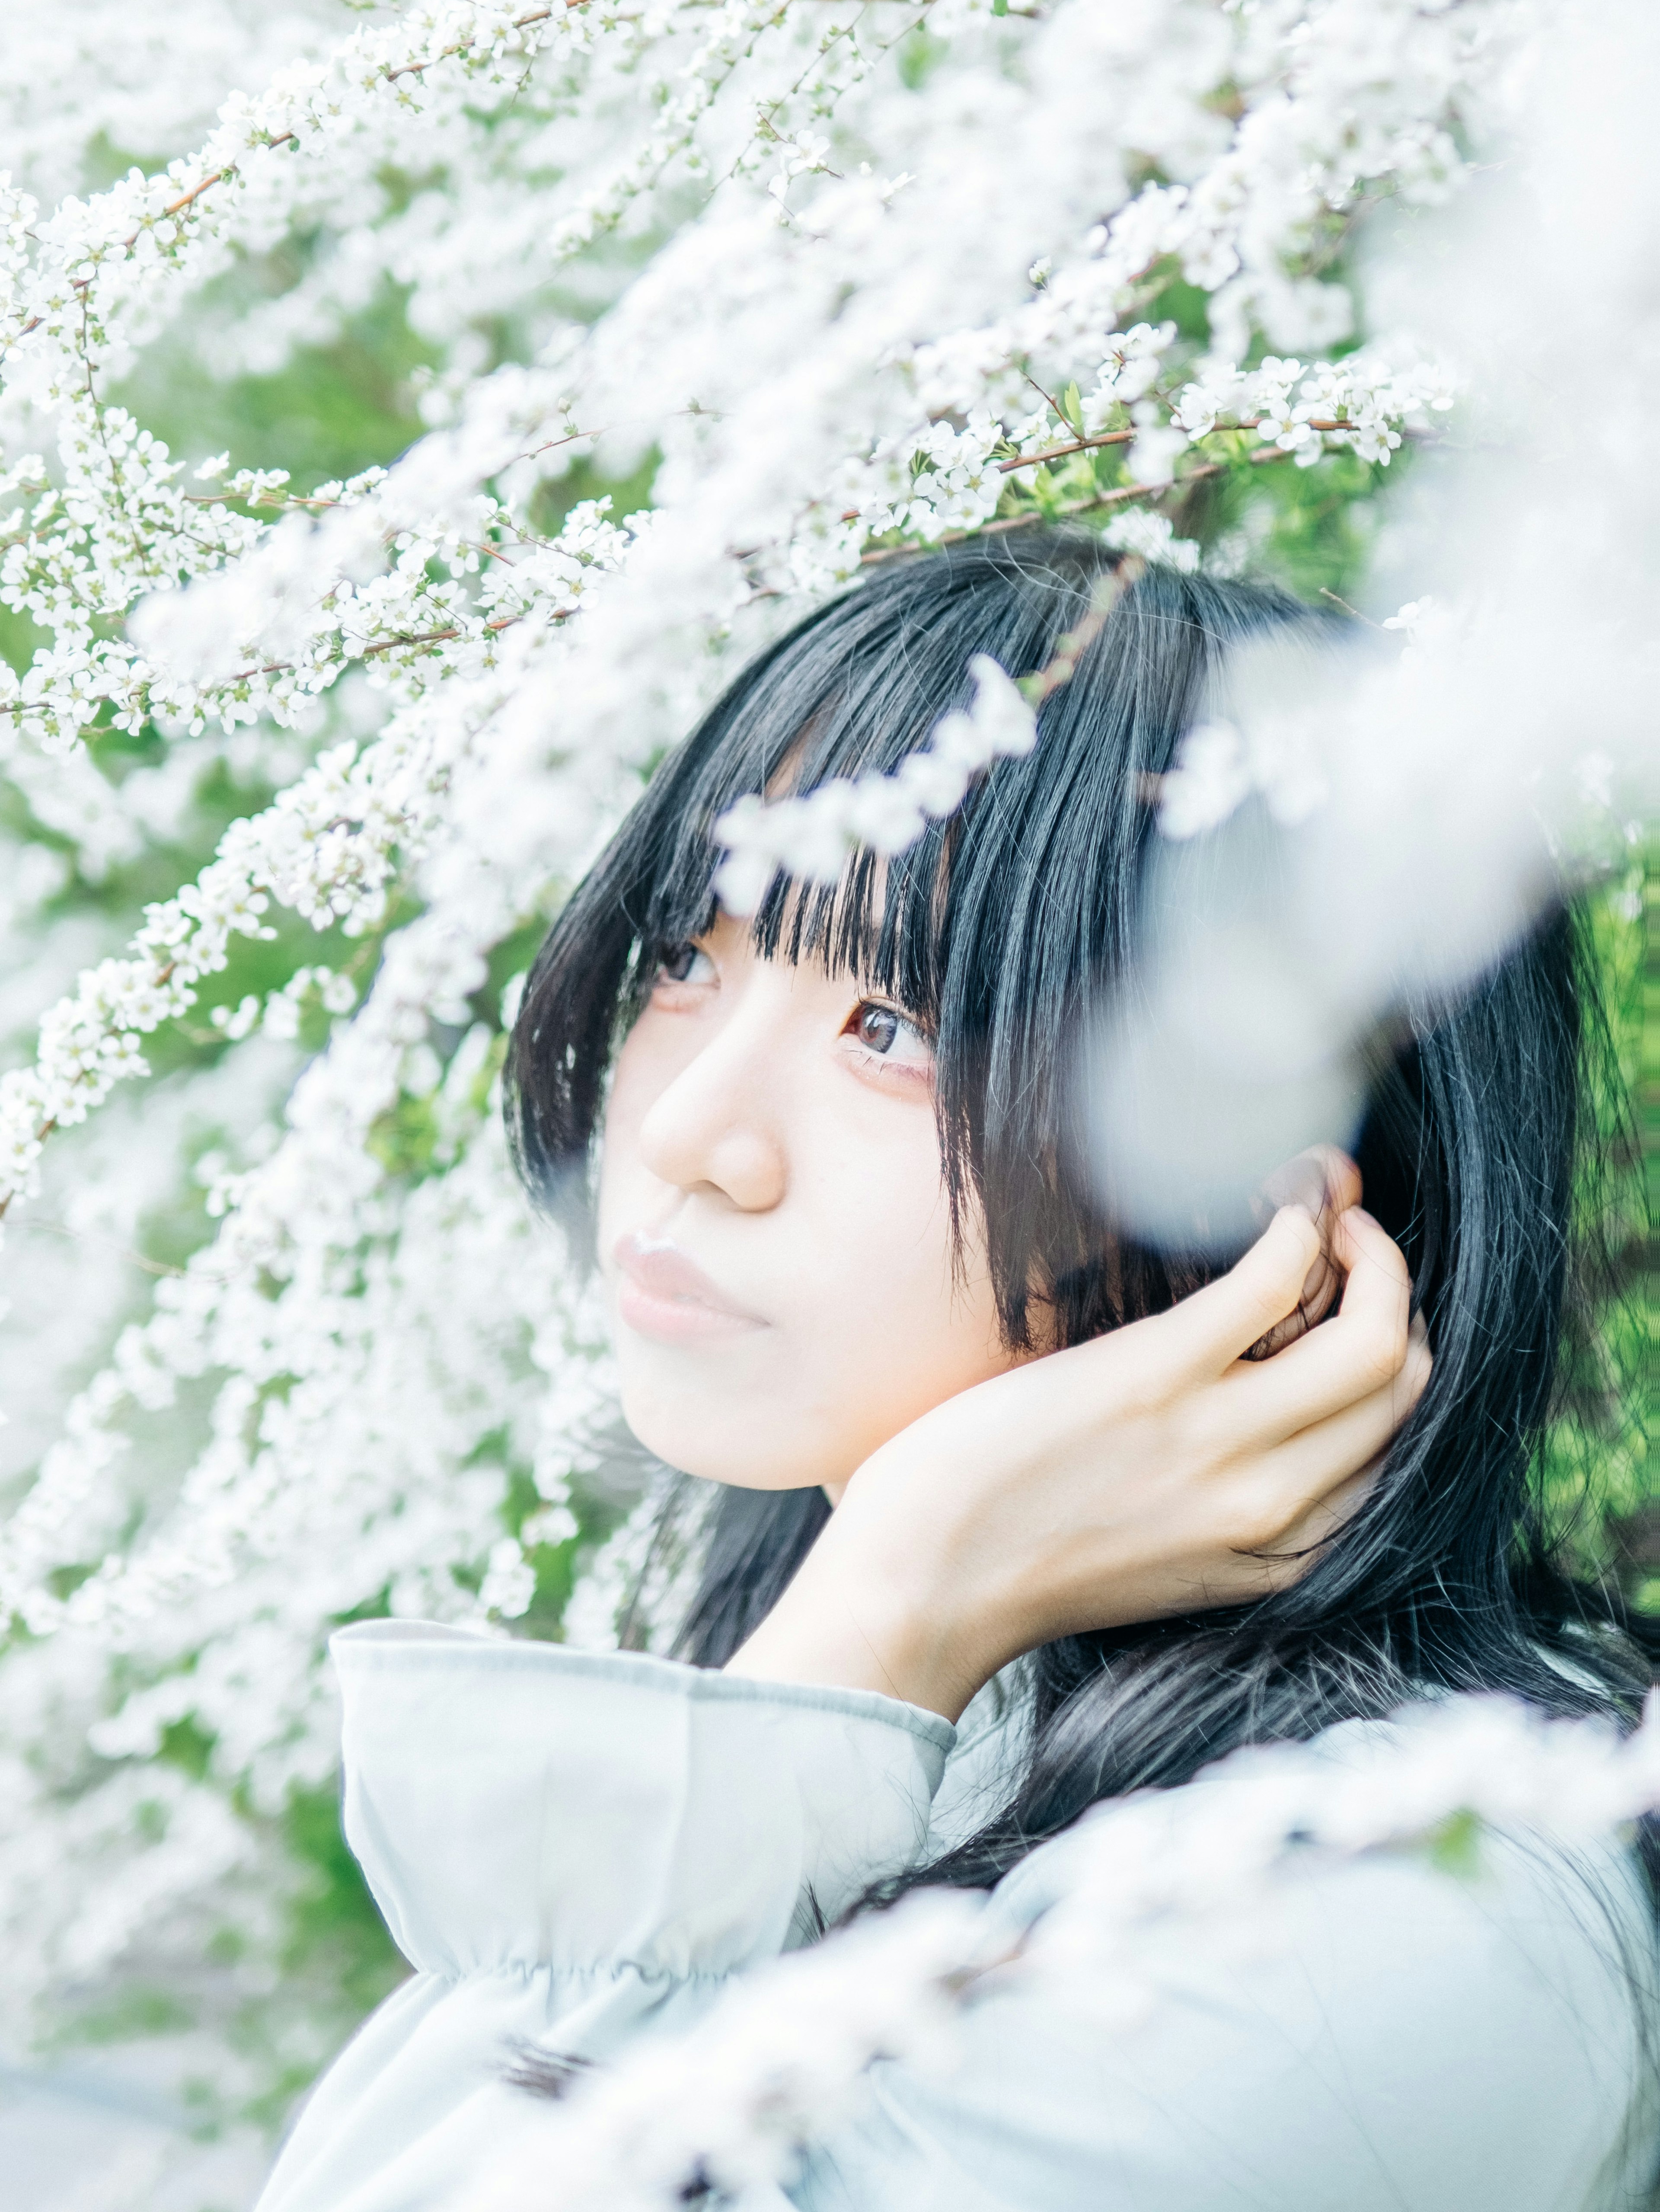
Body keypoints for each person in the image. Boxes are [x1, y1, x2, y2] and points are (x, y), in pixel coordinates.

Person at [256, 540, 1657, 2212]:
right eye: (686, 961)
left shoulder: (1393, 1910)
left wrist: (897, 1600)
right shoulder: (941, 1728)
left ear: (1278, 1205)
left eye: (895, 1029)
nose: (697, 1132)